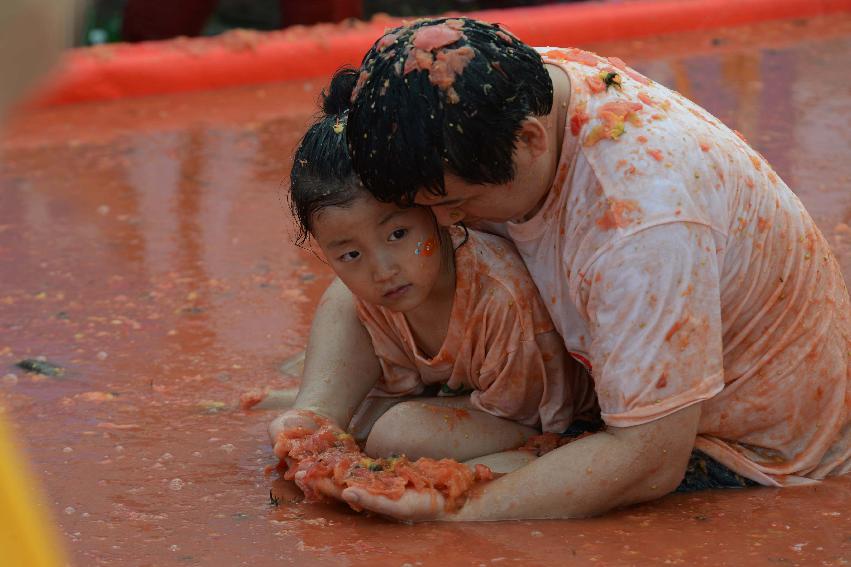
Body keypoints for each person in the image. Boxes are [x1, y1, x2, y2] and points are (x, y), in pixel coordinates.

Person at [271, 17, 851, 522]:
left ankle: (525, 448)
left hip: (744, 443)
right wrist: (316, 414)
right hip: (616, 372)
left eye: (453, 204)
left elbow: (650, 457)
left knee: (405, 441)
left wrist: (458, 510)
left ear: (528, 141)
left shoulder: (638, 228)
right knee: (382, 403)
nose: (443, 223)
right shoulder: (510, 85)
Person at [274, 72, 598, 474]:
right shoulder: (373, 294)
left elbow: (538, 420)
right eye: (350, 254)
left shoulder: (501, 297)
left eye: (397, 233)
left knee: (395, 435)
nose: (383, 269)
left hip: (534, 414)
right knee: (327, 425)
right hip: (467, 399)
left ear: (437, 211)